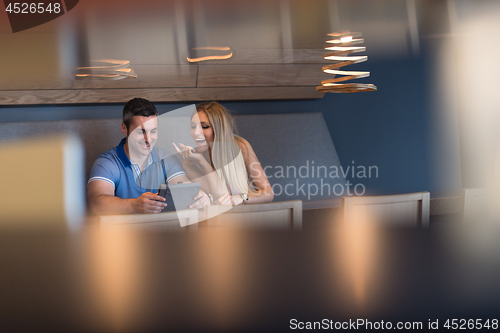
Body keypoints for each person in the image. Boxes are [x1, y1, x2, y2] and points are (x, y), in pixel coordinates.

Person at [87, 98, 210, 215]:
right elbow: (95, 204)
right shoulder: (107, 162)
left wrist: (199, 197)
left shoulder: (167, 159)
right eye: (141, 132)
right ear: (125, 129)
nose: (148, 139)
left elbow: (186, 190)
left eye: (153, 131)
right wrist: (134, 205)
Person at [173, 101, 273, 205]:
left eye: (205, 126)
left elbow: (268, 193)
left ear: (219, 129)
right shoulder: (190, 164)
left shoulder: (241, 147)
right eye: (193, 126)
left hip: (247, 214)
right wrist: (202, 161)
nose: (196, 132)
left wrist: (241, 198)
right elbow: (221, 196)